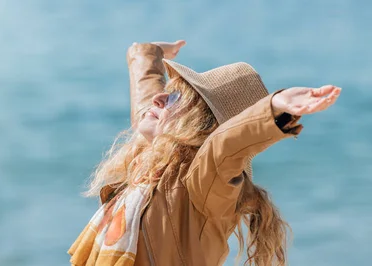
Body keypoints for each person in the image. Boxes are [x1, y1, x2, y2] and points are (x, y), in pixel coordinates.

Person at [68, 40, 341, 266]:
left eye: (174, 97)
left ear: (199, 125)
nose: (158, 99)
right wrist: (146, 52)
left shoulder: (201, 184)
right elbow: (145, 102)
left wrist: (275, 107)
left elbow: (225, 145)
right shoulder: (155, 159)